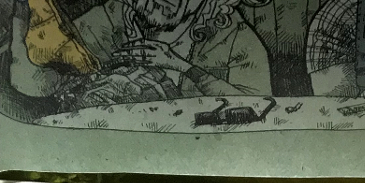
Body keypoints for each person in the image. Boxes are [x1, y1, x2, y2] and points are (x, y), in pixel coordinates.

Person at [9, 0, 270, 107]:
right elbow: (37, 82)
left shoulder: (236, 38)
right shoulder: (116, 15)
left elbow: (262, 107)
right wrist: (21, 21)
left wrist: (183, 67)